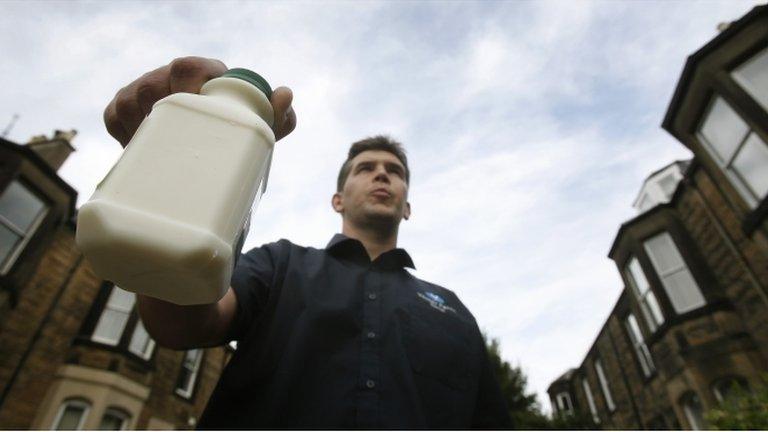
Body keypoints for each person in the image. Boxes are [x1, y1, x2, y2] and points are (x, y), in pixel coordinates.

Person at [104, 56, 511, 429]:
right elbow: (179, 324)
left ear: (407, 206)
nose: (382, 175)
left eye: (394, 171)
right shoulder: (280, 264)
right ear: (338, 199)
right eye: (366, 168)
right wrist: (171, 179)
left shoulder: (454, 312)